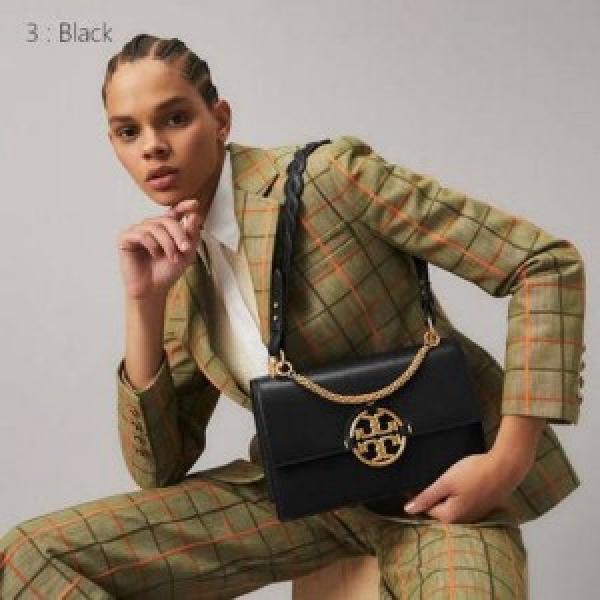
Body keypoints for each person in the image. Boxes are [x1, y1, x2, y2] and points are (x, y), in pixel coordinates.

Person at [0, 33, 585, 599]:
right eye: (128, 132)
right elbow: (159, 466)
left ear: (220, 119)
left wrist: (506, 463)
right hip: (299, 498)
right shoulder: (180, 271)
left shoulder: (333, 179)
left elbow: (543, 264)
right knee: (32, 556)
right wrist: (144, 304)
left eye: (174, 118)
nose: (152, 146)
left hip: (442, 493)